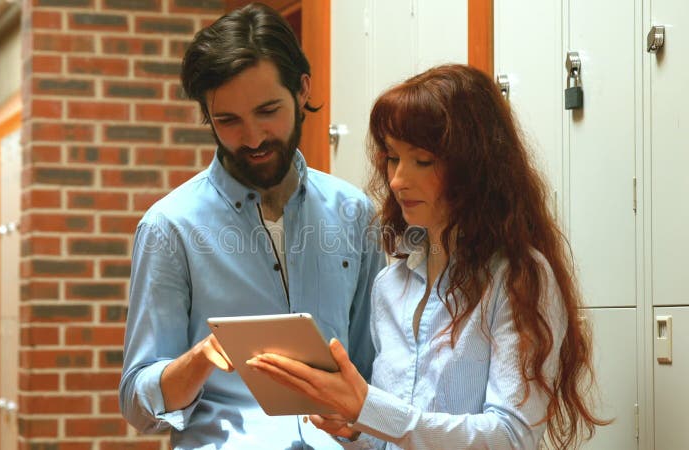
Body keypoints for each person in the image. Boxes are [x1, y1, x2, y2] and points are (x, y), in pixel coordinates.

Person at [247, 64, 608, 449]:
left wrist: (369, 408)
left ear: (474, 166)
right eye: (392, 158)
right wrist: (354, 429)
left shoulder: (518, 277)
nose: (399, 180)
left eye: (422, 161)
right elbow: (392, 436)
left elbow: (511, 437)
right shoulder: (391, 284)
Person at [118, 3, 386, 449]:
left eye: (268, 111)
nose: (254, 137)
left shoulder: (355, 213)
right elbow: (138, 406)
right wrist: (198, 360)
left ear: (302, 90)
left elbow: (375, 369)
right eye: (228, 121)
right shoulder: (169, 228)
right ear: (207, 114)